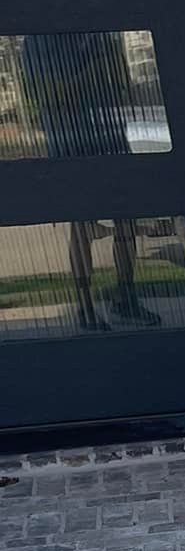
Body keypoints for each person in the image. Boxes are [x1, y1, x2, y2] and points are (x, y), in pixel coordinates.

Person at [17, 30, 160, 328]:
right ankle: (84, 307)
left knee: (126, 219)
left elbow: (121, 82)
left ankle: (126, 297)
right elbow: (50, 98)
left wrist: (107, 70)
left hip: (109, 134)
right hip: (70, 142)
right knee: (81, 225)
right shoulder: (37, 42)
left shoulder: (98, 34)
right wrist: (93, 72)